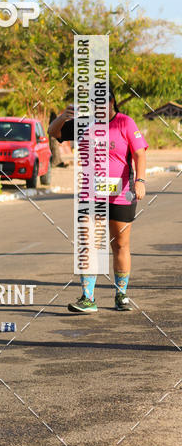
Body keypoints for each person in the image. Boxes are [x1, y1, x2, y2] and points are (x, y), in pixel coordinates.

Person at [48, 85, 147, 313]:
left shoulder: (125, 122)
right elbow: (54, 132)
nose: (99, 107)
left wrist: (140, 181)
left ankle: (121, 295)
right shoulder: (84, 124)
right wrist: (63, 116)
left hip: (121, 194)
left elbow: (140, 153)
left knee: (119, 244)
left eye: (103, 102)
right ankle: (88, 297)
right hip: (90, 196)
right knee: (88, 245)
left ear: (112, 102)